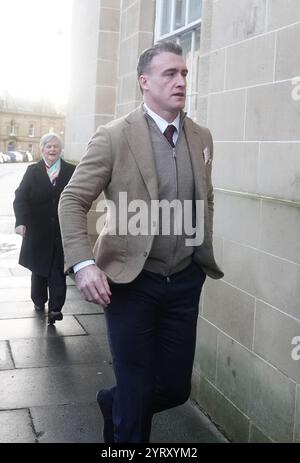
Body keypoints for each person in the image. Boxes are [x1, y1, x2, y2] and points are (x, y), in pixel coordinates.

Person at [58, 41, 224, 443]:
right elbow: (72, 199)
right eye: (170, 73)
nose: (181, 80)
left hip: (184, 282)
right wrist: (83, 264)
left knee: (173, 388)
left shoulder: (201, 137)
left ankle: (113, 403)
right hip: (131, 283)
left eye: (184, 73)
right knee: (135, 398)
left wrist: (199, 247)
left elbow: (206, 196)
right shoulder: (114, 136)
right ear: (144, 83)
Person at [13, 133, 75, 325]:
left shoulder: (71, 170)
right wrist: (21, 221)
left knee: (58, 269)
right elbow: (21, 197)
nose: (52, 150)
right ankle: (39, 301)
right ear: (42, 150)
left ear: (60, 149)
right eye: (48, 147)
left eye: (56, 146)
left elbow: (78, 196)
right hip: (38, 229)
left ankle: (56, 308)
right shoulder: (33, 171)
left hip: (60, 230)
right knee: (39, 270)